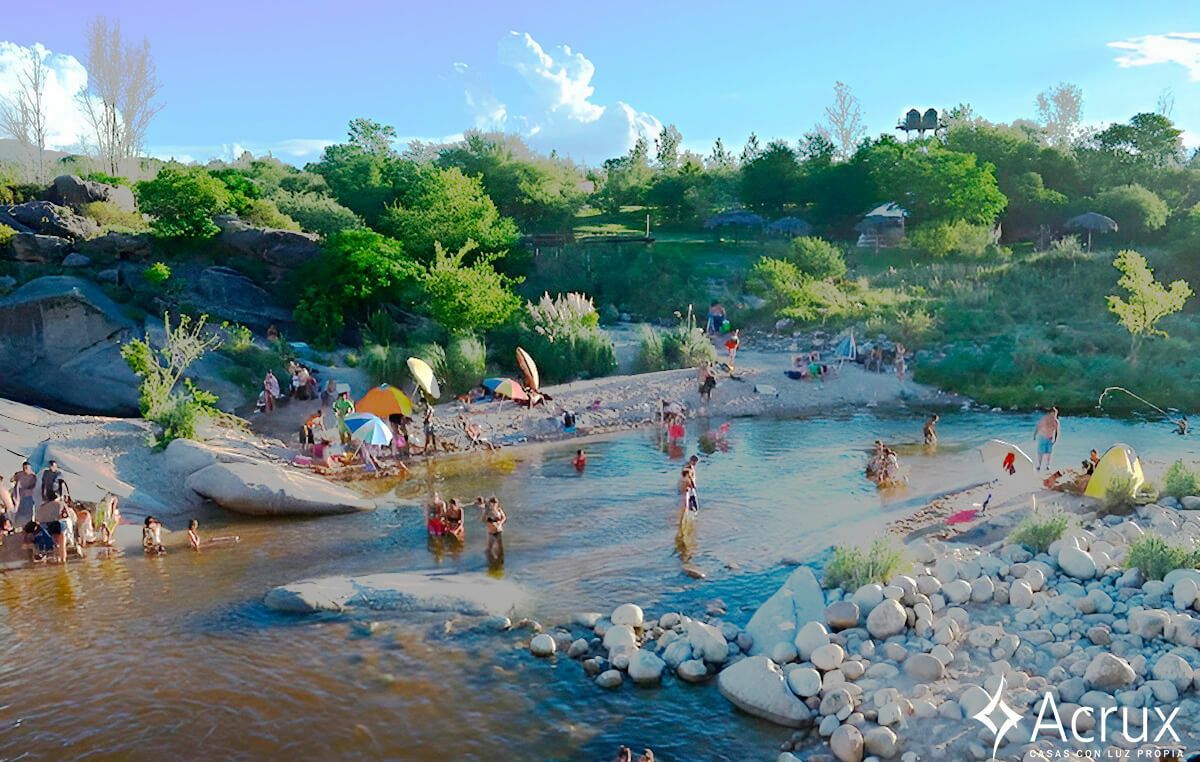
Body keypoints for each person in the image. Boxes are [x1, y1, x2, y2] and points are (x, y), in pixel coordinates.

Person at [1033, 406, 1060, 471]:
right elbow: (1038, 426)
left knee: (1049, 452)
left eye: (1055, 413)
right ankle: (1039, 465)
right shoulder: (1045, 418)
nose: (1055, 415)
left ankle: (1048, 465)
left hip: (1050, 438)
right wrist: (1035, 435)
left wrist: (1055, 440)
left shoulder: (1056, 421)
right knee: (1040, 452)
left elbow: (1057, 431)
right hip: (1042, 437)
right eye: (1054, 413)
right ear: (1050, 413)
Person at [482, 496, 506, 564]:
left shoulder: (499, 510)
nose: (494, 504)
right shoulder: (488, 511)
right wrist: (485, 514)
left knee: (500, 546)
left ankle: (501, 560)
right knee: (490, 547)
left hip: (498, 530)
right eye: (492, 503)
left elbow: (503, 517)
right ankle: (490, 561)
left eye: (495, 503)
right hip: (491, 531)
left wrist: (500, 523)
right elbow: (483, 520)